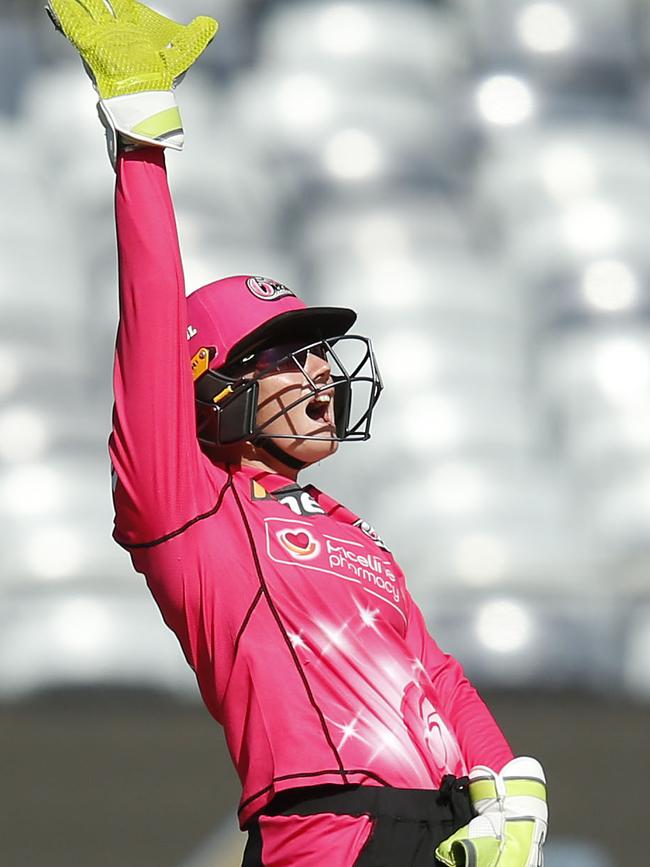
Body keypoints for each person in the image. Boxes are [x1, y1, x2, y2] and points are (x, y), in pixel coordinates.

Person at [46, 2, 548, 865]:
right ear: (214, 391)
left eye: (317, 352)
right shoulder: (186, 508)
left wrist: (510, 782)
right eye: (283, 355)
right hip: (325, 834)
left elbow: (434, 670)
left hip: (447, 832)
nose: (319, 372)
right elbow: (153, 324)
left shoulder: (350, 527)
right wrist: (142, 148)